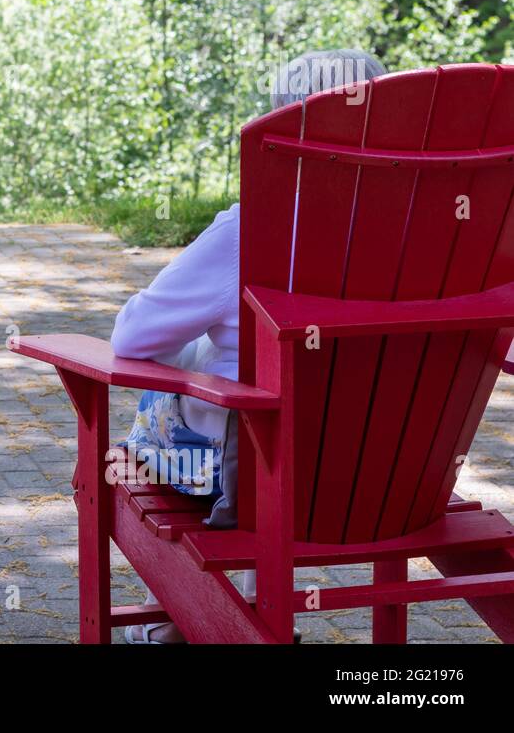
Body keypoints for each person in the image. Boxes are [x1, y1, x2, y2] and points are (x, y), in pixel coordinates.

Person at [111, 49, 387, 643]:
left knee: (174, 397)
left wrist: (199, 351)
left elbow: (132, 339)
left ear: (278, 135)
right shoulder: (435, 230)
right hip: (388, 478)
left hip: (254, 484)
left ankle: (189, 611)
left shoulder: (249, 230)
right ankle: (182, 617)